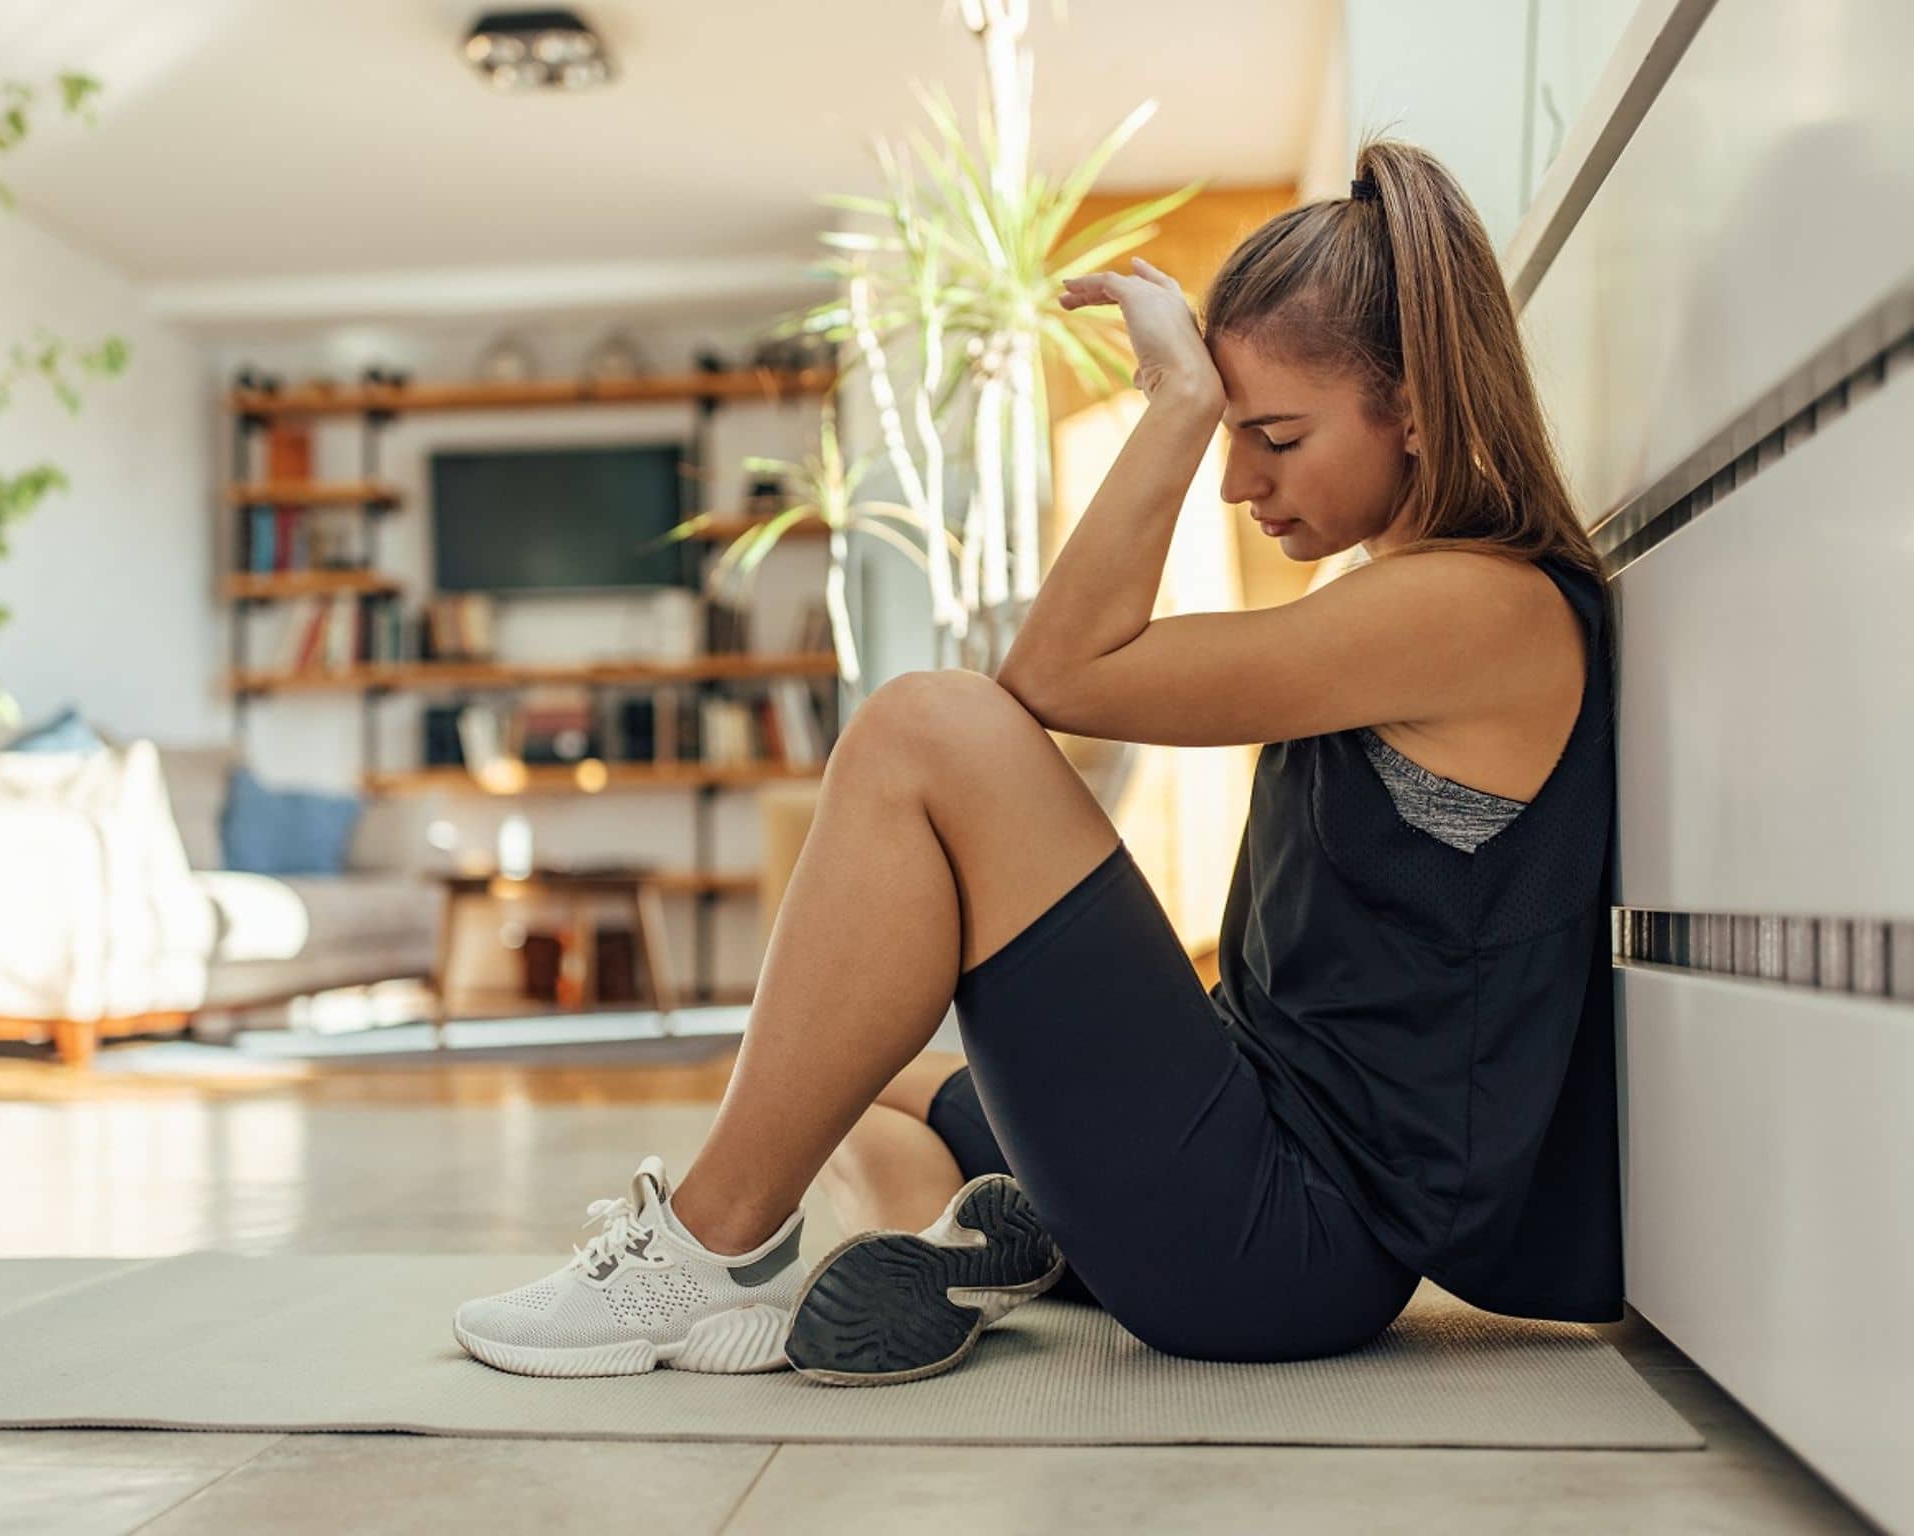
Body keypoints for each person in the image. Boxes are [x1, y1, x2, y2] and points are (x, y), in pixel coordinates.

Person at [451, 136, 1623, 1386]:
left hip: (1286, 1244)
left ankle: (706, 1250)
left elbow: (1052, 680)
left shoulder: (1475, 610)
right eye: (1227, 431)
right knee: (867, 1074)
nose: (1238, 479)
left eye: (1273, 434)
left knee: (925, 725)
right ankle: (962, 1246)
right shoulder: (1410, 595)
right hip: (1252, 1159)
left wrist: (1170, 402)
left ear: (1417, 410)